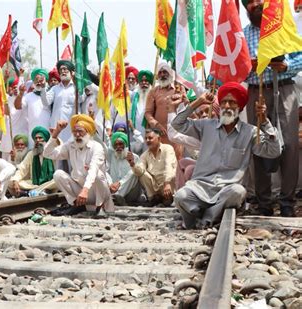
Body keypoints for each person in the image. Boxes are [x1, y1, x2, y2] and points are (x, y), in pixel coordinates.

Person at [172, 83, 281, 228]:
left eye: (232, 102)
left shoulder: (250, 132)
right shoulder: (206, 126)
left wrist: (265, 121)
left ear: (240, 107)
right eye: (223, 102)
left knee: (238, 192)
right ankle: (210, 215)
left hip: (227, 190)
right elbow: (177, 124)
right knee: (180, 196)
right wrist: (199, 101)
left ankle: (205, 219)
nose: (227, 106)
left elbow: (274, 151)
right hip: (200, 188)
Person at [241, 0, 302, 217]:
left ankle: (287, 201)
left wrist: (286, 66)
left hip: (285, 90)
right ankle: (264, 201)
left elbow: (301, 58)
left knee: (290, 146)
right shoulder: (242, 34)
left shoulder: (283, 28)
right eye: (252, 2)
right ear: (245, 7)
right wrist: (250, 65)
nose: (257, 4)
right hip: (256, 91)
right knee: (258, 144)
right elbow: (236, 67)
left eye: (261, 0)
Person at [44, 114, 115, 214]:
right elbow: (48, 154)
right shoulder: (70, 146)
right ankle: (76, 205)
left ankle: (100, 206)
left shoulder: (97, 147)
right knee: (58, 174)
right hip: (80, 192)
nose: (77, 135)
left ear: (88, 133)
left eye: (80, 131)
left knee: (98, 175)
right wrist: (56, 132)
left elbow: (93, 170)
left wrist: (85, 190)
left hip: (97, 192)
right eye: (75, 132)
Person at [126, 128, 176, 207]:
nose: (147, 140)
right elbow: (140, 171)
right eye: (146, 138)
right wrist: (132, 163)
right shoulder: (144, 155)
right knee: (142, 174)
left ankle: (167, 197)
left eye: (150, 138)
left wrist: (167, 183)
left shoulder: (167, 149)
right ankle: (153, 198)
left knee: (172, 172)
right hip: (155, 187)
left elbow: (169, 166)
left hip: (167, 184)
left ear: (159, 139)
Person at [10, 126, 57, 197]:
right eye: (36, 138)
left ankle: (31, 192)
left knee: (58, 180)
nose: (38, 140)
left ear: (46, 140)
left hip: (49, 183)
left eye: (40, 138)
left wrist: (55, 134)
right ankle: (40, 191)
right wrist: (15, 181)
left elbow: (60, 145)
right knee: (10, 182)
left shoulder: (53, 151)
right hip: (34, 183)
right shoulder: (31, 154)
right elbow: (22, 169)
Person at [46, 60, 81, 142]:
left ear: (72, 72)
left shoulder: (76, 88)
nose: (63, 71)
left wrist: (78, 86)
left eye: (65, 69)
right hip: (57, 126)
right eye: (60, 70)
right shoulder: (55, 88)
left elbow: (81, 99)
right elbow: (46, 102)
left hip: (72, 125)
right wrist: (43, 90)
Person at [14, 68, 51, 146]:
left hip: (49, 133)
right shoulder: (29, 96)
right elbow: (17, 106)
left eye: (41, 80)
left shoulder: (51, 95)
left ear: (46, 81)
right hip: (33, 135)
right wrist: (20, 94)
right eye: (36, 79)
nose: (38, 82)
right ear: (33, 82)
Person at [145, 62, 178, 145]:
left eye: (165, 72)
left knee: (177, 157)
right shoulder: (153, 92)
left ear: (170, 73)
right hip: (160, 134)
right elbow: (148, 113)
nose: (162, 75)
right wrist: (156, 125)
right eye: (160, 72)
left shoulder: (178, 90)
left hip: (177, 133)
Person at [107, 131, 142, 206]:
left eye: (120, 144)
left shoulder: (134, 157)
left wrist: (120, 183)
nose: (118, 146)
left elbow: (138, 173)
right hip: (113, 189)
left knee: (134, 173)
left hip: (131, 194)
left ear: (125, 144)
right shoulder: (111, 156)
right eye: (116, 145)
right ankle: (115, 197)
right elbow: (106, 172)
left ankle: (116, 196)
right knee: (102, 171)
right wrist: (110, 184)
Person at [130, 70, 154, 136]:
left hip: (149, 132)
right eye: (141, 81)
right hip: (135, 132)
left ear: (150, 83)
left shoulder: (154, 96)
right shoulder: (134, 96)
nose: (144, 83)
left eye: (146, 81)